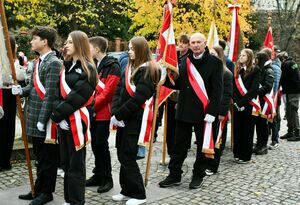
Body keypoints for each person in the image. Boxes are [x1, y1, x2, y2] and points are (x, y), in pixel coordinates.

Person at [159, 32, 223, 189]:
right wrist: (164, 77)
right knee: (178, 145)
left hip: (204, 112)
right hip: (184, 109)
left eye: (198, 42)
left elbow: (217, 91)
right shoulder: (184, 61)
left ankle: (198, 175)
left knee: (202, 146)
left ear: (204, 44)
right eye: (193, 42)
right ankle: (174, 175)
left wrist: (212, 112)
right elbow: (178, 84)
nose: (195, 45)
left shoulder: (215, 63)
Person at [12, 26, 62, 205]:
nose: (32, 41)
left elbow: (50, 94)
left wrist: (42, 120)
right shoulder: (39, 61)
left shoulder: (54, 62)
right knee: (40, 158)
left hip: (45, 119)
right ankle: (38, 188)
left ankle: (46, 192)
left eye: (35, 38)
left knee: (48, 159)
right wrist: (21, 90)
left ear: (45, 41)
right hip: (34, 116)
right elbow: (34, 88)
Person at [50, 30, 97, 205]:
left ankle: (77, 201)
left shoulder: (88, 68)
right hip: (64, 121)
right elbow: (57, 93)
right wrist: (59, 117)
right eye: (66, 42)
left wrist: (58, 115)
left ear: (79, 44)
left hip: (77, 121)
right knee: (66, 163)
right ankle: (69, 199)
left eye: (70, 42)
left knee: (76, 164)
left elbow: (78, 96)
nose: (66, 45)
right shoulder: (67, 65)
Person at [111, 36, 159, 205]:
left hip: (135, 119)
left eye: (132, 48)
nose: (129, 51)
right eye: (129, 47)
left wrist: (119, 115)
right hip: (123, 117)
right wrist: (115, 112)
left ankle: (139, 194)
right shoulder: (130, 67)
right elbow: (119, 90)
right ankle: (126, 190)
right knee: (121, 153)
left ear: (140, 50)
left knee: (128, 156)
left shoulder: (147, 70)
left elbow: (138, 98)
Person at [86, 36, 121, 193]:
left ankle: (107, 179)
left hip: (103, 111)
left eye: (89, 47)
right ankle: (98, 174)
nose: (88, 50)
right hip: (93, 110)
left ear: (97, 49)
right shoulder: (93, 64)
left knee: (101, 144)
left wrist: (93, 105)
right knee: (94, 144)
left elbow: (109, 92)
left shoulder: (113, 66)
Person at [206, 46, 233, 175]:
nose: (211, 56)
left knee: (217, 138)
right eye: (210, 54)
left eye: (214, 54)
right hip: (208, 110)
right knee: (207, 137)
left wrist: (223, 112)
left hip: (218, 112)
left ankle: (213, 166)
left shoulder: (226, 73)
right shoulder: (209, 70)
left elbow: (227, 94)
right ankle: (206, 161)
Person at [232, 48, 260, 163]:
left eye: (243, 55)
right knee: (237, 129)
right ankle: (237, 153)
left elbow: (254, 90)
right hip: (238, 105)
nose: (241, 57)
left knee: (247, 131)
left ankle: (245, 156)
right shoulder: (237, 69)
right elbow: (234, 87)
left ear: (249, 57)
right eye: (240, 55)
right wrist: (237, 103)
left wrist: (241, 103)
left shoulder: (255, 70)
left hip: (249, 105)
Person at [0, 36, 18, 172]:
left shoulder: (13, 62)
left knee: (7, 126)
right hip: (3, 93)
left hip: (8, 94)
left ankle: (5, 159)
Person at [253, 51, 274, 155]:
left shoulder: (269, 70)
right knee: (258, 124)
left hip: (264, 101)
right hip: (259, 101)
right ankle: (259, 144)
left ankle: (263, 146)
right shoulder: (260, 69)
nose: (255, 60)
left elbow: (268, 86)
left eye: (257, 58)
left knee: (263, 125)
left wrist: (255, 92)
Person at [261, 48, 282, 149]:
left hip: (271, 97)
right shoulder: (264, 67)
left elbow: (275, 85)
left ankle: (275, 140)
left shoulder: (275, 68)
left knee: (273, 118)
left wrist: (272, 98)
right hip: (266, 97)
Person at [278, 51, 300, 141]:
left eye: (280, 60)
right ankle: (290, 131)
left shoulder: (286, 64)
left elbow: (282, 78)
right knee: (289, 111)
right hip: (293, 90)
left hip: (292, 91)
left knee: (293, 111)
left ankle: (297, 133)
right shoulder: (292, 63)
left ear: (283, 59)